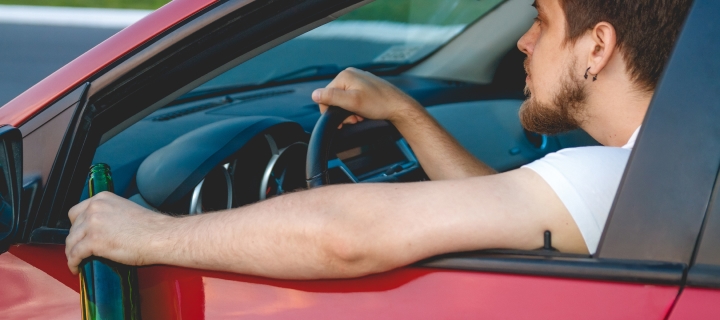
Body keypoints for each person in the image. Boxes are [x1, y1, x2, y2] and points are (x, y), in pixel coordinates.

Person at [65, 0, 691, 279]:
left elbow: (347, 238)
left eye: (541, 19)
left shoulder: (613, 178)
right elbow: (501, 207)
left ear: (597, 48)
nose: (524, 43)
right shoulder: (663, 172)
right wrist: (408, 116)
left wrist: (154, 235)